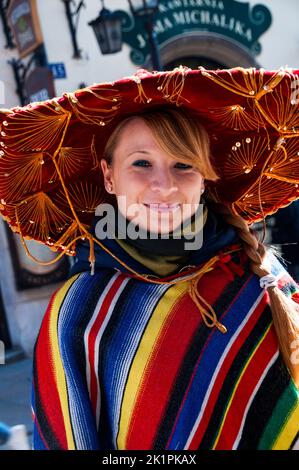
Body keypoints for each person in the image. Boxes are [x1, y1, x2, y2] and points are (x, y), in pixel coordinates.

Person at [1, 67, 299, 450]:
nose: (165, 185)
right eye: (141, 163)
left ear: (205, 177)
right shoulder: (78, 313)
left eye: (183, 164)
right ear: (109, 176)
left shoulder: (261, 276)